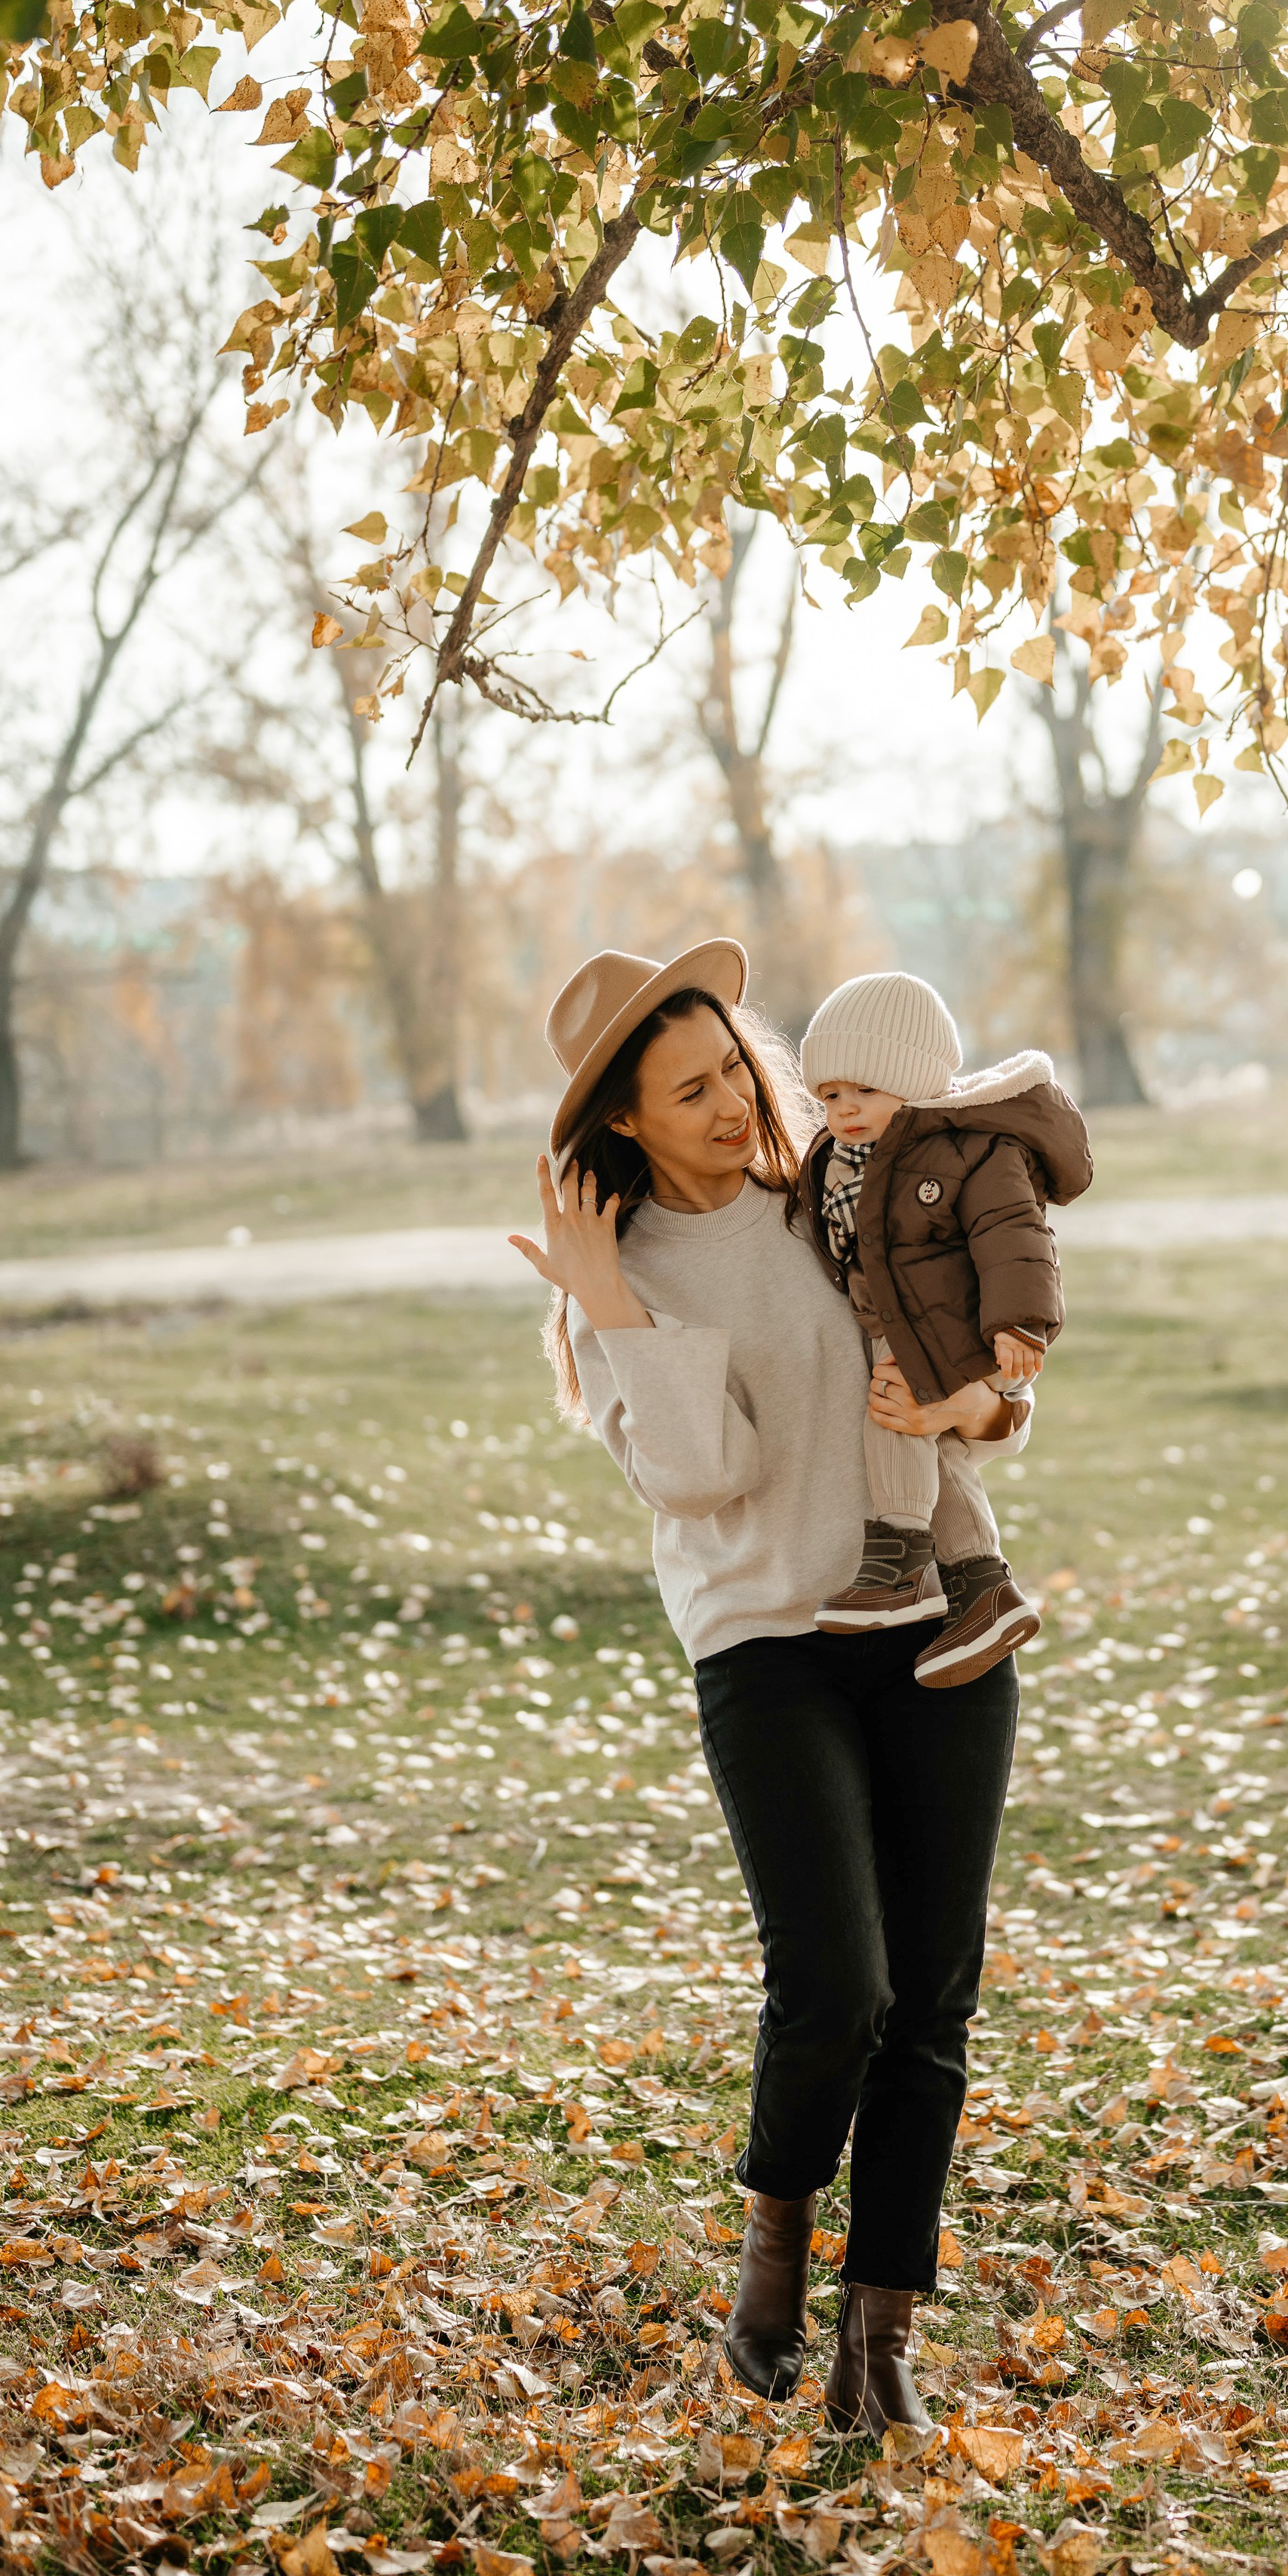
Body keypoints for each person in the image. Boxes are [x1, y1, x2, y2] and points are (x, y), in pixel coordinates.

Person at [507, 938, 1029, 2436]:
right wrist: (611, 1300)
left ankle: (880, 2346)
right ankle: (773, 2257)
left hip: (933, 1627)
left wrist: (982, 1393)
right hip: (765, 1646)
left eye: (733, 1065)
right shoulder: (613, 1281)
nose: (734, 1101)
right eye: (690, 1090)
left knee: (928, 1998)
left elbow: (985, 1379)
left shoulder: (840, 1194)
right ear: (624, 1120)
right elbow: (704, 1472)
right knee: (836, 1988)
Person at [795, 969, 1091, 1685]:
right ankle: (983, 1588)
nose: (844, 1109)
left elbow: (1013, 1234)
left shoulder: (969, 1148)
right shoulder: (842, 1161)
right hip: (900, 1321)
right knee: (938, 1447)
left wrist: (1020, 1323)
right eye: (829, 1095)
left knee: (892, 1415)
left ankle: (899, 1557)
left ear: (914, 1080)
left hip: (956, 1327)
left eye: (865, 1089)